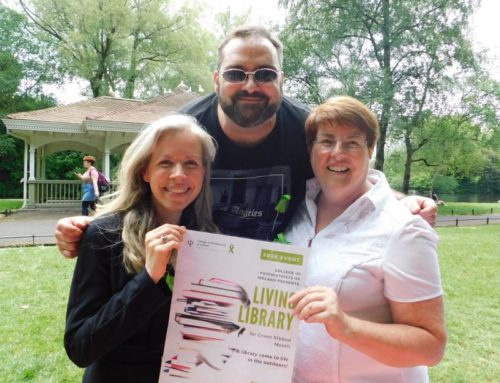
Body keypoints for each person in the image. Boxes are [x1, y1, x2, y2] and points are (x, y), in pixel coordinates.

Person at [55, 26, 437, 257]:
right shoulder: (182, 128)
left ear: (281, 80)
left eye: (265, 74)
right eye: (237, 73)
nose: (251, 85)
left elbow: (346, 174)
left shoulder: (306, 129)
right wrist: (91, 226)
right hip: (188, 265)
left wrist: (404, 202)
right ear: (216, 79)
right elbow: (141, 188)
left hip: (276, 275)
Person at [285, 96, 447, 382]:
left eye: (352, 143)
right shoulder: (295, 210)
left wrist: (345, 325)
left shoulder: (403, 228)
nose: (338, 153)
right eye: (326, 141)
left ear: (370, 149)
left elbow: (430, 346)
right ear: (310, 149)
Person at [64, 114, 218, 382]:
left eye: (191, 163)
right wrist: (149, 277)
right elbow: (80, 347)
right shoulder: (104, 234)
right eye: (166, 162)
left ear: (203, 172)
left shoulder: (210, 239)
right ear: (145, 170)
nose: (179, 175)